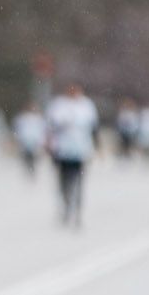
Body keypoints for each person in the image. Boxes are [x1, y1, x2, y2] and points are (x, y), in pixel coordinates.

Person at [44, 82, 98, 227]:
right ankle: (67, 205)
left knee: (79, 182)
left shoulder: (87, 106)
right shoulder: (58, 105)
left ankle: (78, 210)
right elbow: (50, 127)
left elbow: (93, 128)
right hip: (62, 150)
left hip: (80, 150)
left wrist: (96, 147)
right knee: (64, 182)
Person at [11, 102, 46, 178]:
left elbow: (41, 131)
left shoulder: (38, 119)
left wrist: (41, 142)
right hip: (25, 141)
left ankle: (32, 171)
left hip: (34, 142)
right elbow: (17, 130)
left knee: (33, 157)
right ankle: (28, 171)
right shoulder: (21, 118)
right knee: (26, 157)